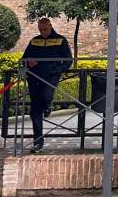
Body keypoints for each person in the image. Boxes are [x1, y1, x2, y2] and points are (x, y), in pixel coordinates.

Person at [21, 17, 72, 153]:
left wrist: (54, 71)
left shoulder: (61, 40)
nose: (43, 32)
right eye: (40, 30)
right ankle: (38, 143)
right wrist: (27, 62)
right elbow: (23, 59)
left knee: (46, 97)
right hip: (34, 78)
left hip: (50, 78)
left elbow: (68, 61)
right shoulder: (34, 41)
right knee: (34, 110)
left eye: (45, 29)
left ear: (50, 26)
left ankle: (48, 107)